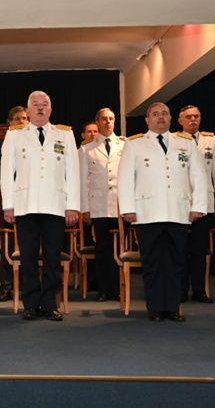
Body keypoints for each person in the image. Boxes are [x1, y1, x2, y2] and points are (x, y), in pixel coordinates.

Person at [118, 102, 206, 322]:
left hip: (179, 212)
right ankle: (156, 308)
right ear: (147, 120)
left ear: (171, 119)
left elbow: (199, 177)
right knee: (153, 262)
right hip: (147, 213)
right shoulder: (134, 144)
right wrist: (127, 208)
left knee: (176, 262)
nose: (160, 117)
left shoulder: (186, 143)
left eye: (164, 114)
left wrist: (198, 206)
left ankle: (173, 308)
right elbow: (125, 178)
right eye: (155, 114)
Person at [1, 91, 80, 321]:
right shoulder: (15, 135)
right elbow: (7, 172)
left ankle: (49, 304)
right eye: (35, 105)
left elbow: (72, 173)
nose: (40, 108)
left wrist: (72, 206)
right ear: (28, 110)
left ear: (51, 110)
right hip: (25, 206)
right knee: (28, 257)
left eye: (44, 104)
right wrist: (8, 205)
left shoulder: (65, 134)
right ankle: (31, 304)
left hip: (55, 206)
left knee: (53, 258)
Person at [177, 105, 215, 303]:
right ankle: (181, 289)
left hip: (205, 202)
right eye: (188, 117)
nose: (193, 119)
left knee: (199, 250)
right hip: (181, 202)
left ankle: (199, 290)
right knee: (180, 249)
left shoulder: (211, 140)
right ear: (180, 120)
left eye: (196, 116)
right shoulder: (174, 140)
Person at [79, 108, 124, 302]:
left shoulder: (126, 144)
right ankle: (104, 289)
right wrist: (84, 209)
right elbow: (81, 181)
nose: (108, 122)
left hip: (121, 207)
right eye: (104, 119)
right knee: (103, 249)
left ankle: (119, 288)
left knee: (120, 250)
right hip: (98, 206)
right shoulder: (86, 148)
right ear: (97, 122)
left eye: (111, 119)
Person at [0, 106, 29, 301]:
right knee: (8, 245)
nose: (21, 122)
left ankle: (28, 286)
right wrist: (11, 199)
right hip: (10, 203)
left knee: (29, 245)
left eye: (24, 118)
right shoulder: (1, 144)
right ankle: (5, 286)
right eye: (17, 119)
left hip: (31, 203)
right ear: (9, 123)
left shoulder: (36, 143)